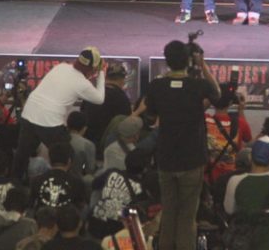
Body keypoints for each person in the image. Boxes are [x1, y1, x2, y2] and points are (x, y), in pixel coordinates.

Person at [145, 40, 220, 250]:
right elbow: (217, 94)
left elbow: (151, 115)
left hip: (166, 159)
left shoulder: (156, 86)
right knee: (187, 216)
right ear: (188, 60)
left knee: (168, 212)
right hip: (192, 159)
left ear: (167, 60)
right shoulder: (197, 86)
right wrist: (202, 64)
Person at [12, 46, 105, 180]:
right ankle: (69, 184)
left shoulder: (61, 67)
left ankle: (15, 183)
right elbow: (100, 99)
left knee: (22, 155)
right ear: (92, 69)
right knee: (66, 156)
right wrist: (101, 74)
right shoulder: (82, 84)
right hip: (50, 121)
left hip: (29, 112)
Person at [79, 61, 132, 155]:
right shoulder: (122, 99)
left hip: (87, 146)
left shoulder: (93, 93)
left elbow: (82, 116)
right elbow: (126, 126)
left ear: (106, 78)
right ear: (123, 80)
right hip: (109, 149)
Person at [205, 84, 252, 183]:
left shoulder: (204, 120)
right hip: (232, 179)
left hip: (208, 177)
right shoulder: (240, 123)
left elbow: (198, 109)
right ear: (231, 102)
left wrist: (210, 97)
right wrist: (241, 110)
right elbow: (248, 139)